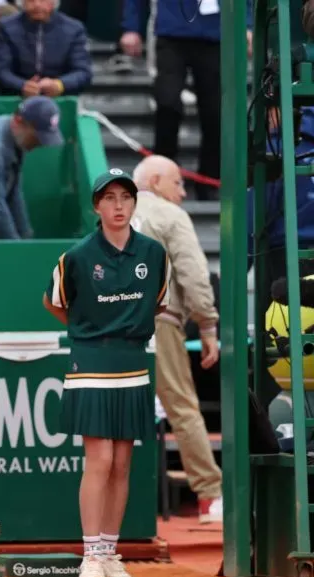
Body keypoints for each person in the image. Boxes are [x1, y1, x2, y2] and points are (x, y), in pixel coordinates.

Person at [43, 168, 170, 577]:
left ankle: (110, 551)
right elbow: (55, 303)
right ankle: (91, 556)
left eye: (125, 197)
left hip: (133, 362)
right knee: (98, 460)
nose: (118, 206)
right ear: (96, 206)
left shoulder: (153, 253)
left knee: (121, 462)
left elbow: (158, 305)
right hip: (90, 362)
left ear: (135, 203)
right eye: (109, 198)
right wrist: (88, 334)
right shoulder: (77, 256)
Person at [131, 155, 222, 524]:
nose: (183, 193)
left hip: (114, 329)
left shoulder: (109, 215)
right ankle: (211, 497)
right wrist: (208, 324)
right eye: (178, 184)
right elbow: (194, 274)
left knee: (116, 415)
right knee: (183, 408)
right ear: (154, 181)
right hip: (160, 322)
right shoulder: (170, 215)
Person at [0, 95, 64, 240]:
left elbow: (13, 192)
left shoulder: (15, 135)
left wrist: (26, 236)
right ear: (18, 121)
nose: (40, 143)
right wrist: (18, 249)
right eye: (37, 137)